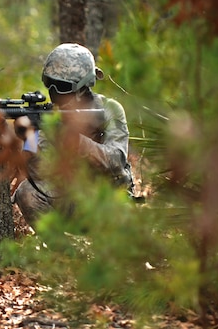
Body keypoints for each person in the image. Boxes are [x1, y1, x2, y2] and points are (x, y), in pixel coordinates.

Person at [12, 42, 134, 226]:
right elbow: (38, 175)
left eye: (61, 86)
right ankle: (63, 254)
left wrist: (74, 140)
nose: (53, 92)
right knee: (26, 193)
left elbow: (116, 161)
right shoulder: (51, 117)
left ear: (83, 86)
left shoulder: (109, 109)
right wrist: (31, 136)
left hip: (109, 203)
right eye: (49, 84)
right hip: (71, 201)